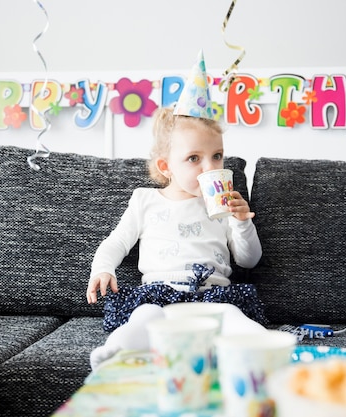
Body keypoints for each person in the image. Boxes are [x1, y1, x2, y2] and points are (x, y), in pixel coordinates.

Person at [86, 51, 268, 369]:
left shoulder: (224, 204)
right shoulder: (145, 200)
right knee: (143, 318)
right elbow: (116, 242)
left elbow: (248, 260)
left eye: (217, 156)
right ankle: (114, 354)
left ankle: (265, 351)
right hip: (160, 297)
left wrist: (241, 222)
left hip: (212, 297)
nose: (209, 166)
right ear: (165, 166)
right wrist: (103, 269)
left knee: (233, 317)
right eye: (194, 158)